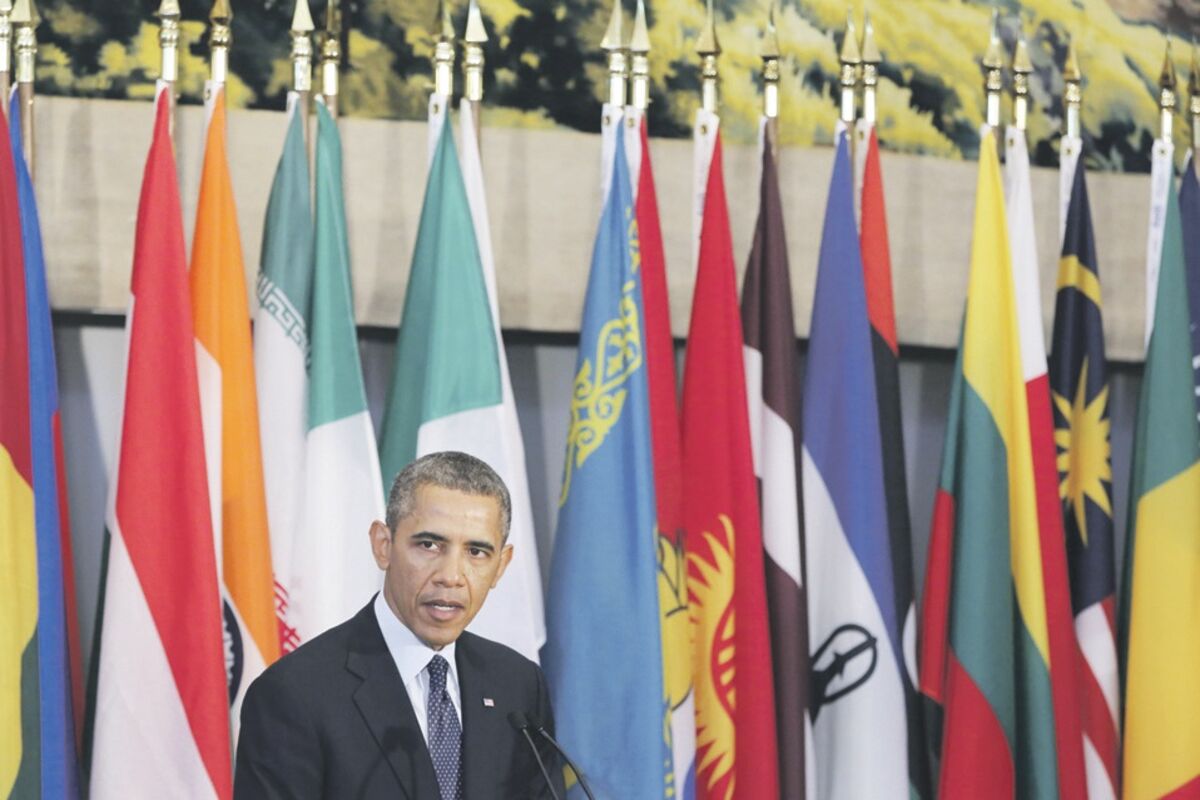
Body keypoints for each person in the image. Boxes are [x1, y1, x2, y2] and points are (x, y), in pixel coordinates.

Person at [235, 451, 562, 799]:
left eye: (476, 552)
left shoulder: (517, 684)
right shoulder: (294, 694)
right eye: (429, 545)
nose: (451, 576)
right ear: (384, 546)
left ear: (501, 565)